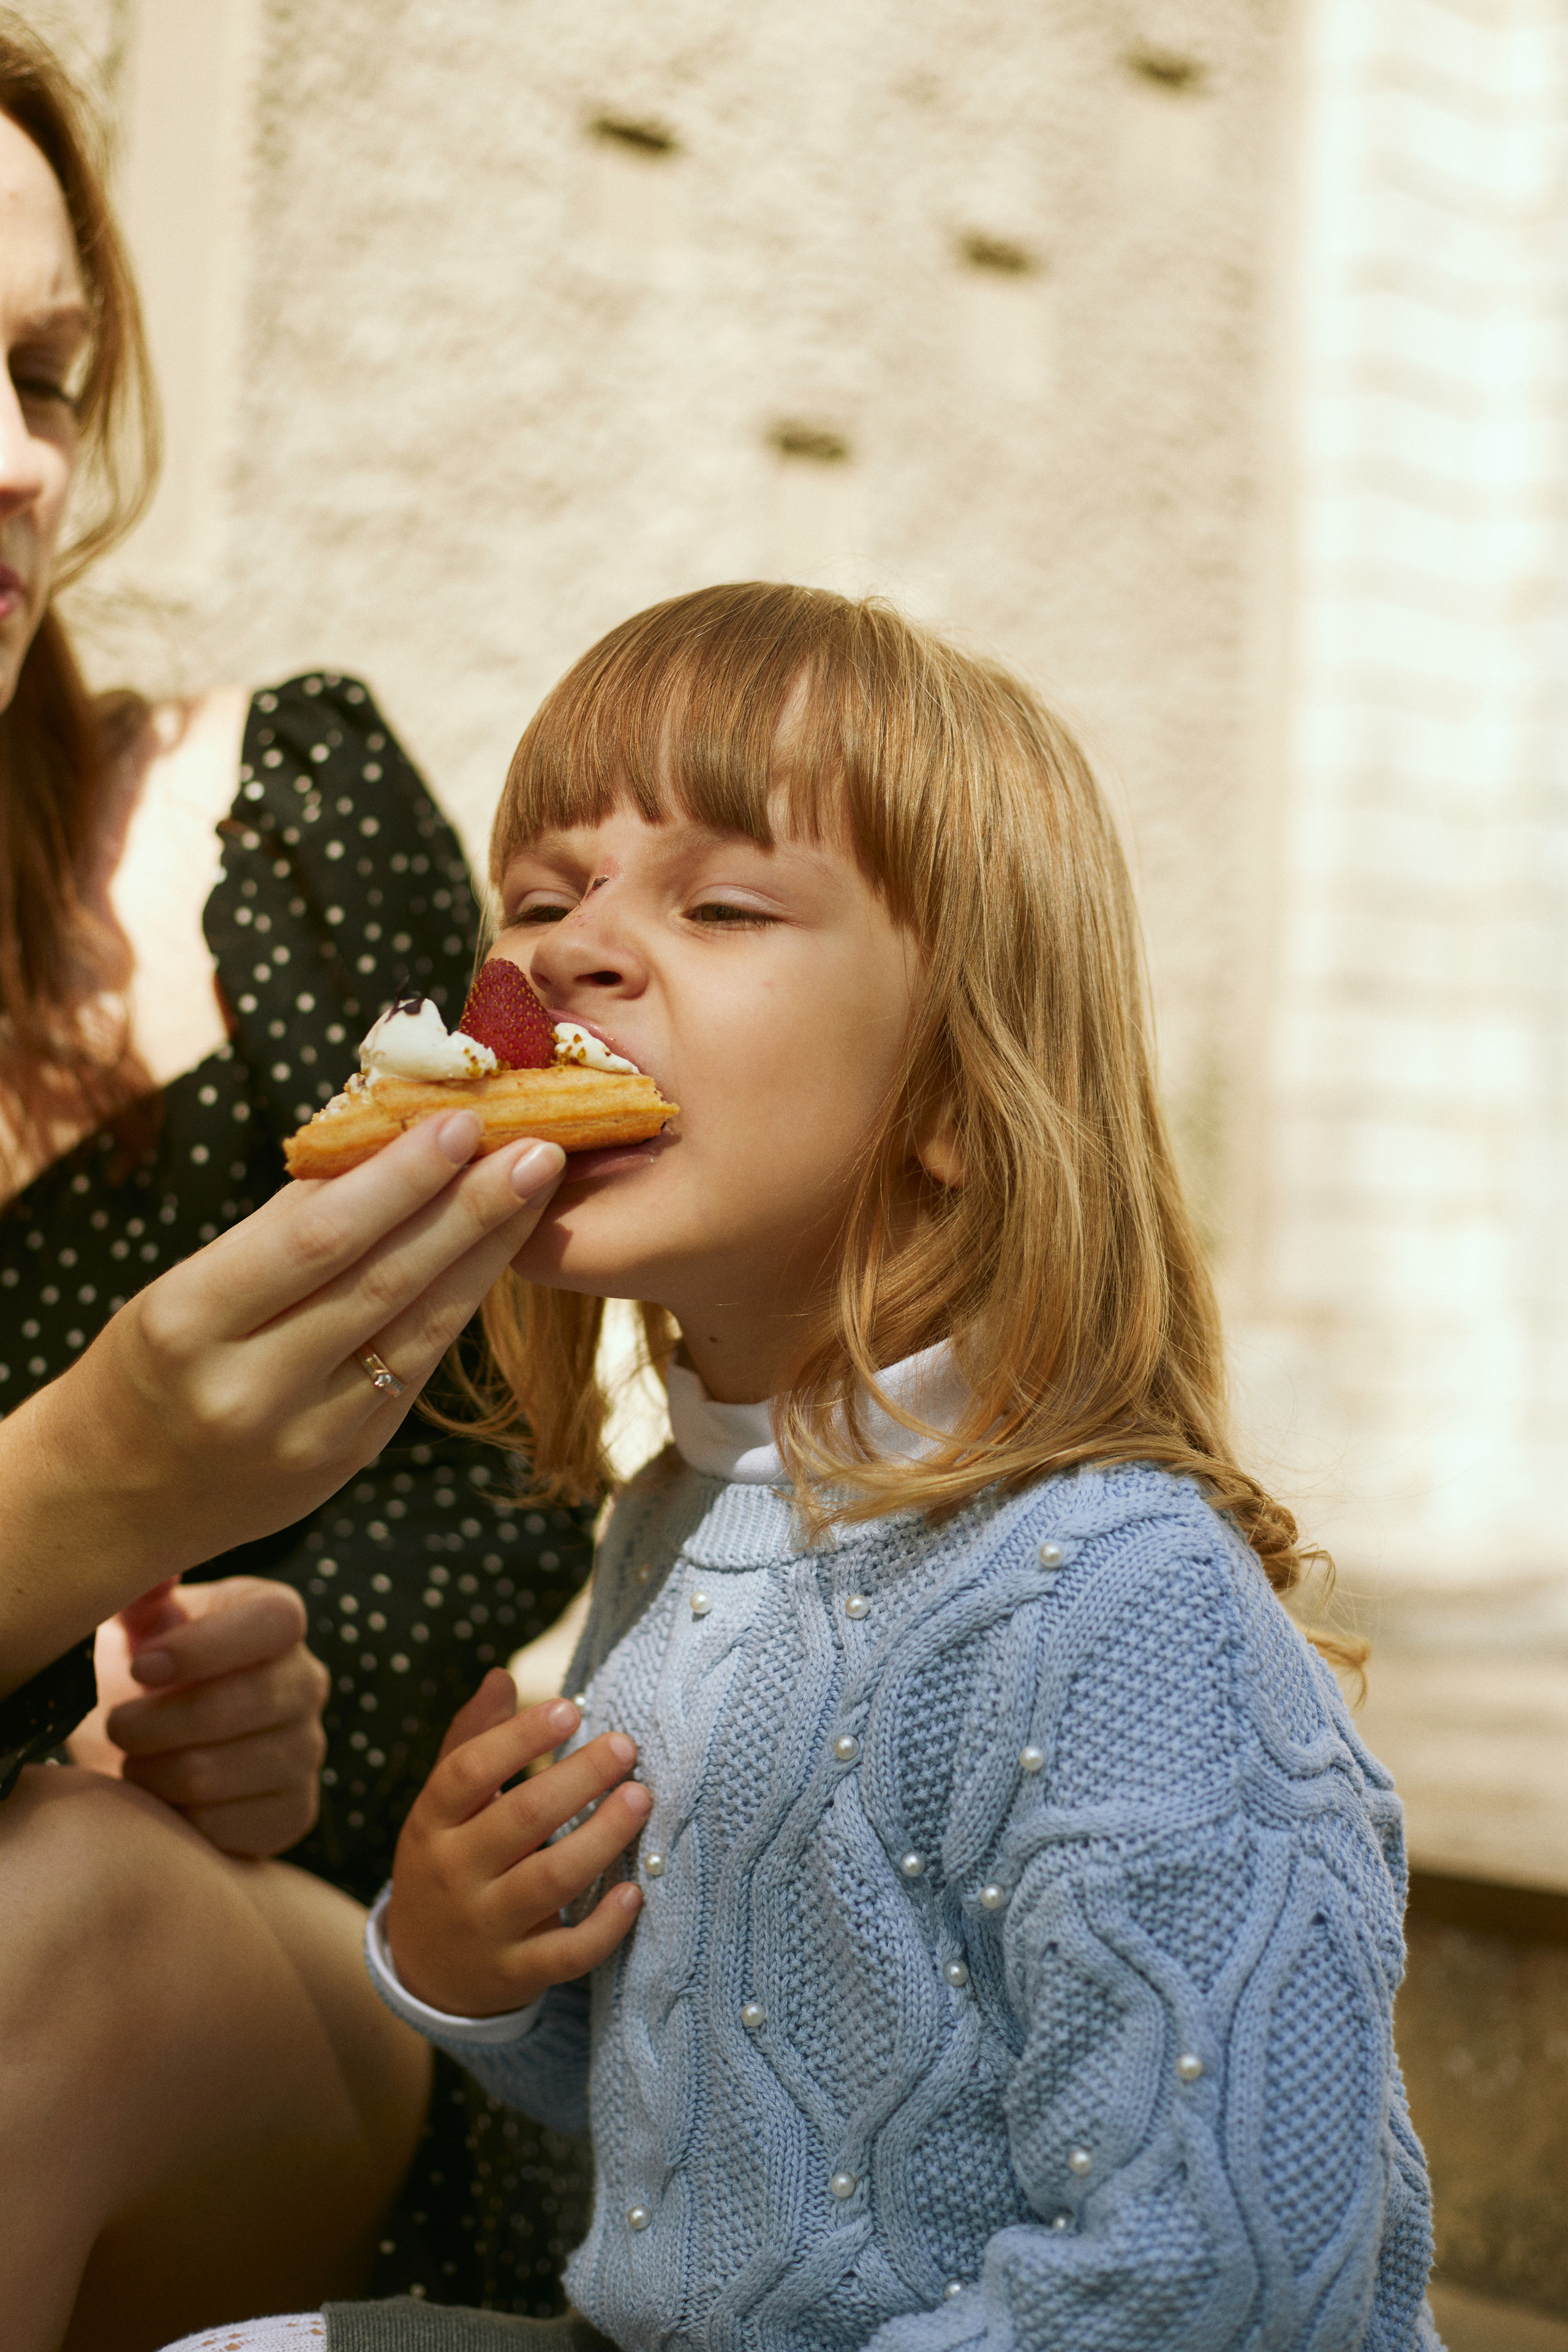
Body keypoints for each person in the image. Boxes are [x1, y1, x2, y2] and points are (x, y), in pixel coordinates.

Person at [179, 581, 1439, 2351]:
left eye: (718, 905)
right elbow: (714, 2108)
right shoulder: (682, 1513)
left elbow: (1221, 2270)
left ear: (956, 1096)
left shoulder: (1116, 1596)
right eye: (539, 900)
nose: (569, 955)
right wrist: (473, 1960)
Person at [0, 13, 594, 2315]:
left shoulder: (277, 822)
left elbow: (504, 1459)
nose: (22, 466)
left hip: (286, 2012)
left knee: (48, 1901)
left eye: (47, 378)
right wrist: (76, 1498)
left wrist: (256, 1709)